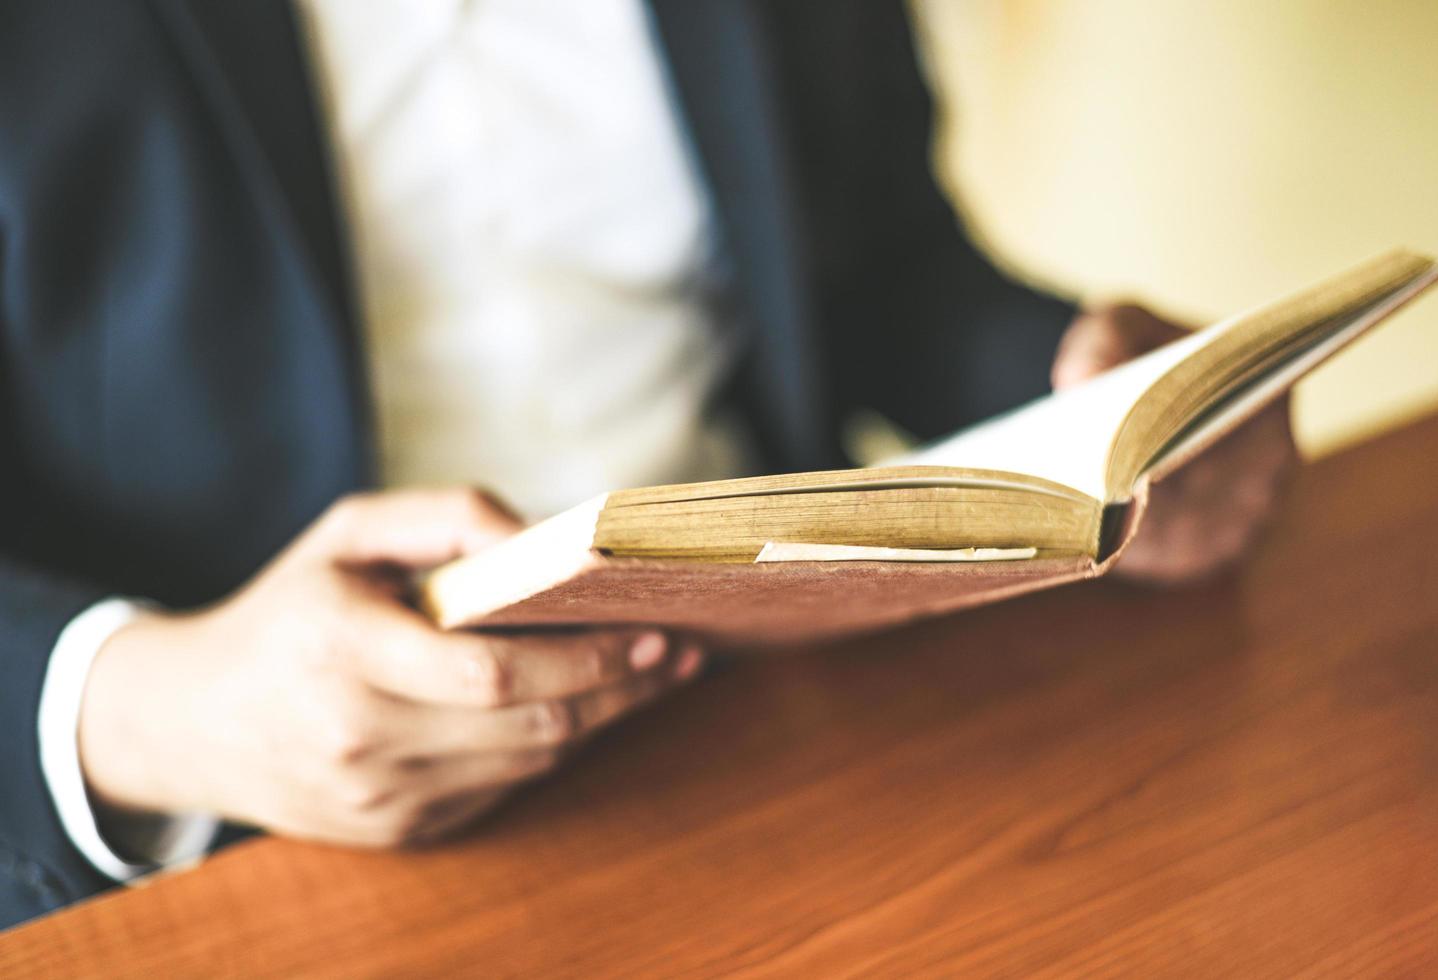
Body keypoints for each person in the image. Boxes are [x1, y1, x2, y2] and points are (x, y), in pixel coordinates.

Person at [0, 0, 1293, 928]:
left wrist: (1098, 403)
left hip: (792, 717)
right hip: (246, 851)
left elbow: (879, 259)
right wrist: (154, 712)